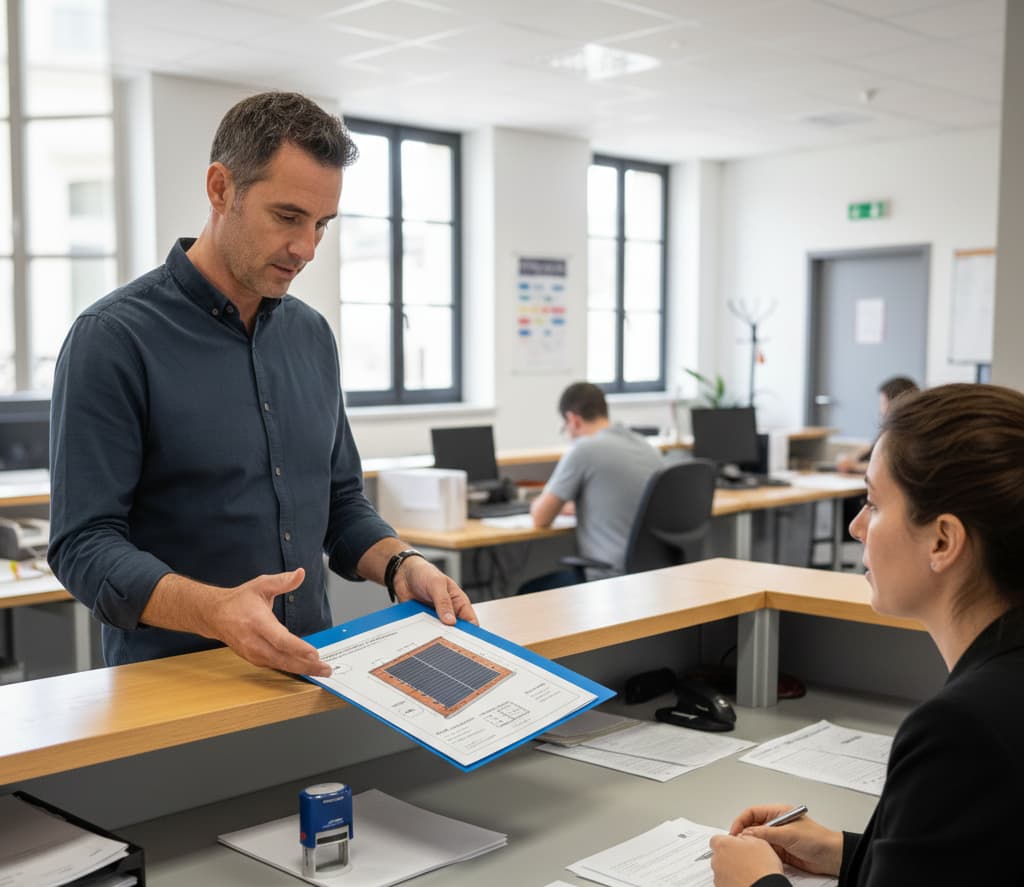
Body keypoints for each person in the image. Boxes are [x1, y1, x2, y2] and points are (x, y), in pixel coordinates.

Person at [48, 91, 476, 675]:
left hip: (317, 673)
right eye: (288, 217)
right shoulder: (113, 338)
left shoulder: (311, 336)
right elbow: (84, 545)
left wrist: (403, 565)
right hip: (172, 686)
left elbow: (341, 503)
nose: (306, 249)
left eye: (322, 224)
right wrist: (216, 611)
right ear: (221, 188)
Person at [707, 383, 1024, 886]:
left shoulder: (964, 728)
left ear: (942, 540)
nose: (857, 527)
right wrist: (847, 852)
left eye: (874, 504)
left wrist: (757, 884)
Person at [520, 382, 664, 593]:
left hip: (608, 580)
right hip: (653, 577)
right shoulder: (648, 448)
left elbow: (540, 517)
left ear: (573, 420)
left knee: (525, 591)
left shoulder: (584, 450)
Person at [835, 375, 918, 475]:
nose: (881, 410)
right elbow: (871, 448)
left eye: (883, 403)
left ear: (895, 403)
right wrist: (851, 458)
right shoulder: (889, 431)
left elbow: (888, 467)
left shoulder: (905, 433)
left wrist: (854, 466)